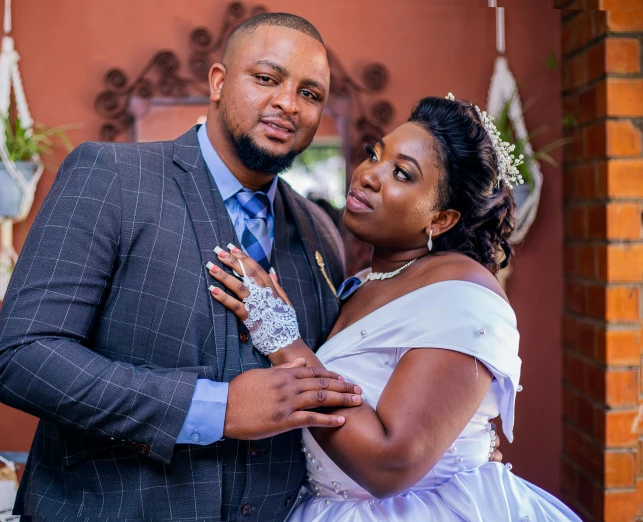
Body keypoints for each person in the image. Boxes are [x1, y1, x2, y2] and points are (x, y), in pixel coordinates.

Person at [0, 13, 367, 521]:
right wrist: (216, 407)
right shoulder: (112, 178)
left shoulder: (320, 230)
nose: (287, 103)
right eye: (267, 78)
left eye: (310, 93)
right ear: (218, 81)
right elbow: (23, 358)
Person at [207, 94, 580, 521]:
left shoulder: (462, 292)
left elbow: (390, 464)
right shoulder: (360, 282)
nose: (368, 175)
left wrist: (284, 341)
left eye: (401, 173)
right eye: (374, 155)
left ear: (441, 219)